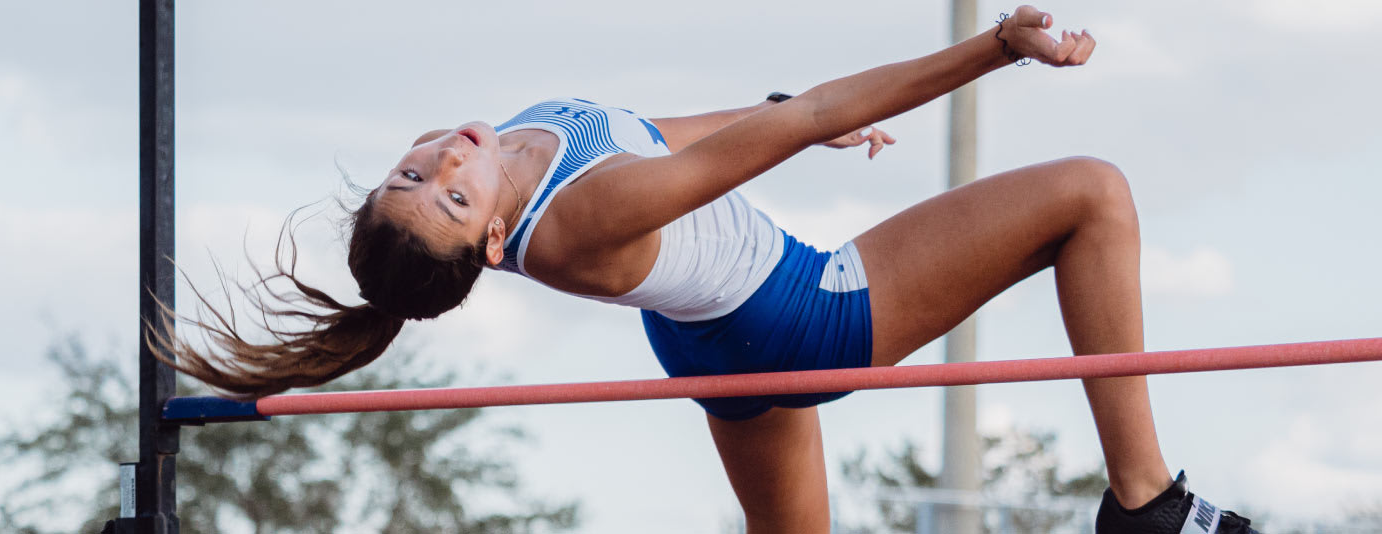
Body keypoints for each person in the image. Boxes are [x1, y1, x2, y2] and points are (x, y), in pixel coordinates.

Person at [163, 6, 1258, 533]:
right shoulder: (582, 215)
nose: (446, 158)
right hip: (794, 318)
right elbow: (820, 106)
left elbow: (655, 131)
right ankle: (1146, 504)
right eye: (450, 195)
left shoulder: (513, 144)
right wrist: (996, 52)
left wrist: (768, 118)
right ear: (495, 244)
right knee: (1090, 194)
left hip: (708, 340)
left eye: (413, 171)